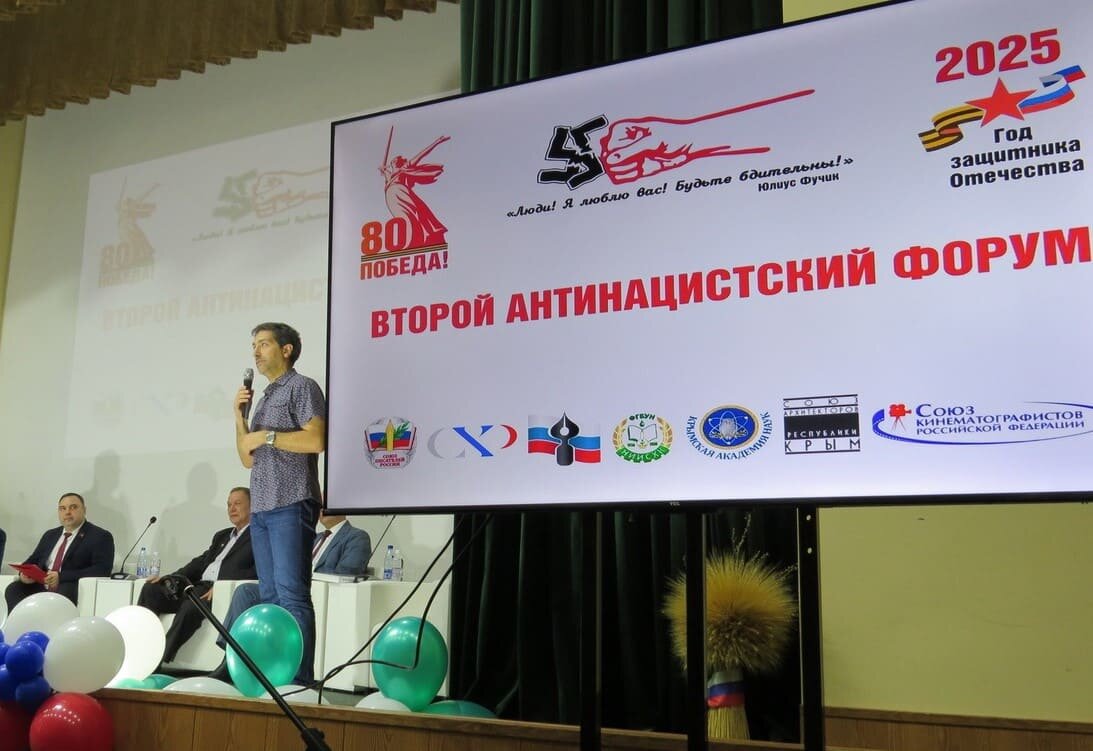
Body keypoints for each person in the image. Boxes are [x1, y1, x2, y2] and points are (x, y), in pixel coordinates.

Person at [234, 322, 326, 684]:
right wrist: (239, 417)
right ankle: (276, 676)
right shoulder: (264, 397)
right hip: (262, 507)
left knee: (292, 595)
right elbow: (247, 458)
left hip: (292, 501)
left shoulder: (302, 387)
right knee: (270, 596)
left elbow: (316, 440)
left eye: (264, 344)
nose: (256, 352)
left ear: (286, 350)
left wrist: (266, 436)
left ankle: (299, 682)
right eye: (254, 345)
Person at [137, 487, 256, 665]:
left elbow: (258, 569)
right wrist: (171, 578)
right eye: (229, 504)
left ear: (252, 506)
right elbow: (200, 562)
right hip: (196, 586)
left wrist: (222, 586)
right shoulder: (222, 535)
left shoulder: (258, 535)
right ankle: (140, 647)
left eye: (237, 503)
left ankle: (157, 659)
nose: (232, 509)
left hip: (216, 591)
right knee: (151, 589)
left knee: (190, 608)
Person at [5, 493, 114, 610]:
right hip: (42, 585)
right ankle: (19, 621)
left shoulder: (100, 536)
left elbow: (102, 570)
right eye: (62, 508)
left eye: (73, 507)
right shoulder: (50, 535)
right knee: (13, 589)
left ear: (84, 510)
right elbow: (32, 560)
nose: (67, 512)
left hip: (70, 586)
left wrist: (61, 577)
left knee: (64, 591)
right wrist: (24, 575)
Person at [312, 511, 370, 577]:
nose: (322, 511)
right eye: (319, 508)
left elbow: (347, 574)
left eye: (326, 507)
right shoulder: (314, 538)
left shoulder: (358, 537)